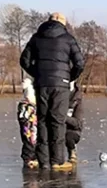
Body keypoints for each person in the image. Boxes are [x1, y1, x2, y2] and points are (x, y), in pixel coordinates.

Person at [20, 12, 85, 171]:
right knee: (58, 121)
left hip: (42, 84)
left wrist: (38, 74)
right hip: (61, 85)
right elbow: (79, 63)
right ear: (63, 23)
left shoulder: (36, 38)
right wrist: (68, 77)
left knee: (42, 120)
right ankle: (57, 161)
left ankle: (44, 161)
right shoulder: (68, 39)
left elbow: (24, 60)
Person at [18, 76, 40, 169]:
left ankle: (30, 157)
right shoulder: (27, 106)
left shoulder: (23, 106)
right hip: (29, 115)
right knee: (30, 138)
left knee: (31, 137)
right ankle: (30, 158)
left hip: (28, 115)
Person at [65, 81, 84, 163]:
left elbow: (78, 124)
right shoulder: (57, 97)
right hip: (58, 128)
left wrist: (63, 117)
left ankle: (72, 152)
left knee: (68, 136)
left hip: (72, 131)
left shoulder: (77, 101)